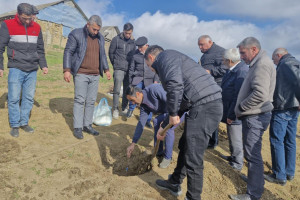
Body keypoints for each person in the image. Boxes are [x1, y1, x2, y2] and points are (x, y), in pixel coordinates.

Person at [145, 45, 223, 200]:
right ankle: (174, 182)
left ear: (152, 58)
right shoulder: (174, 58)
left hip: (205, 106)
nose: (150, 69)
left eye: (148, 65)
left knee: (193, 155)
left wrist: (173, 114)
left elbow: (175, 85)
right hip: (205, 104)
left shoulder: (165, 58)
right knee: (185, 146)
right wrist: (165, 125)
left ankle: (193, 197)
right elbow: (183, 99)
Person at [230, 37, 276, 200]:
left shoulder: (262, 65)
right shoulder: (258, 62)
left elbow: (260, 94)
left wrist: (242, 107)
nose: (241, 57)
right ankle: (254, 181)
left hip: (256, 116)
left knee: (252, 154)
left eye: (243, 53)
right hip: (255, 115)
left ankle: (253, 194)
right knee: (251, 152)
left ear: (254, 49)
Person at [0, 3, 48, 137]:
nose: (27, 21)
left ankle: (24, 122)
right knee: (14, 98)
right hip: (16, 68)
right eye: (24, 18)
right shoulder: (7, 25)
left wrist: (43, 65)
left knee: (28, 97)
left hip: (32, 69)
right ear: (18, 14)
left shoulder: (37, 27)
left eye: (29, 18)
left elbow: (40, 49)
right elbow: (0, 47)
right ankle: (15, 124)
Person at [63, 15, 111, 139]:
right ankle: (78, 127)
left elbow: (103, 55)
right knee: (80, 100)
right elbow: (68, 51)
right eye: (94, 29)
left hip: (95, 75)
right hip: (81, 73)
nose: (96, 32)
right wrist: (67, 70)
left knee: (90, 101)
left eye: (98, 30)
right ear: (88, 24)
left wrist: (106, 69)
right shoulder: (76, 34)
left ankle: (87, 125)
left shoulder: (100, 37)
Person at [264, 48, 300, 185]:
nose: (274, 63)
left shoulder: (286, 64)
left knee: (276, 140)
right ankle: (289, 172)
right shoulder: (295, 62)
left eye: (274, 60)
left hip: (283, 107)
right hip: (293, 108)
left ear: (279, 55)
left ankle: (279, 175)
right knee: (290, 140)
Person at [126, 84, 184, 168]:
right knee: (156, 121)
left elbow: (172, 102)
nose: (132, 103)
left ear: (138, 94)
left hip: (179, 108)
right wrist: (133, 143)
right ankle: (159, 152)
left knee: (168, 128)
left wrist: (165, 122)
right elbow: (141, 123)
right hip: (167, 112)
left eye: (132, 100)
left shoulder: (154, 90)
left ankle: (168, 157)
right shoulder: (143, 106)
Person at [219, 48, 248, 171]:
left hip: (235, 112)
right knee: (231, 134)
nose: (222, 61)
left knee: (235, 137)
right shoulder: (233, 69)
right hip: (229, 108)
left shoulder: (241, 71)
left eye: (224, 60)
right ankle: (233, 156)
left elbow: (239, 96)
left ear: (230, 60)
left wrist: (232, 115)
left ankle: (237, 163)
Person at [198, 35, 227, 149]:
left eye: (202, 45)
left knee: (212, 113)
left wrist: (210, 71)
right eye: (199, 45)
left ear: (210, 42)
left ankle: (212, 141)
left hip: (216, 86)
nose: (200, 47)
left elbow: (225, 68)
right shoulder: (204, 55)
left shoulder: (221, 52)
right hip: (206, 87)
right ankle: (206, 138)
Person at [127, 36, 159, 127]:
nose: (139, 49)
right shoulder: (135, 55)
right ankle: (131, 109)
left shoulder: (153, 54)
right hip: (138, 78)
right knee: (133, 93)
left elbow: (158, 69)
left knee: (149, 99)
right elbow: (131, 68)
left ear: (147, 45)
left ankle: (147, 120)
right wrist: (130, 82)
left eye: (141, 47)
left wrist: (156, 81)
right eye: (138, 47)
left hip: (150, 80)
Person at [109, 23, 135, 119]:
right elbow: (111, 53)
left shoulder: (133, 42)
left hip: (128, 70)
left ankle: (124, 108)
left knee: (126, 90)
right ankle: (115, 109)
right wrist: (115, 65)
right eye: (126, 33)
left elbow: (133, 56)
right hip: (119, 68)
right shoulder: (116, 39)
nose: (128, 35)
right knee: (116, 89)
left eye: (130, 33)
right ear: (123, 31)